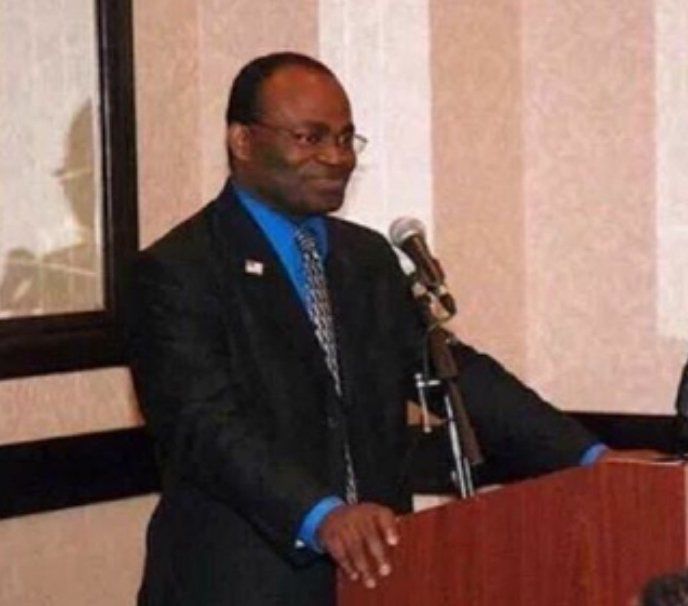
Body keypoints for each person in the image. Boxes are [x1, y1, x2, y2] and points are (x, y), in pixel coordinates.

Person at [129, 52, 607, 606]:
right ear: (241, 139)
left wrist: (592, 459)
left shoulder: (366, 258)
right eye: (310, 138)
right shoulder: (179, 270)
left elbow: (453, 373)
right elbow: (204, 426)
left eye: (345, 138)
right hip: (239, 584)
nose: (336, 157)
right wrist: (322, 514)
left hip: (374, 580)